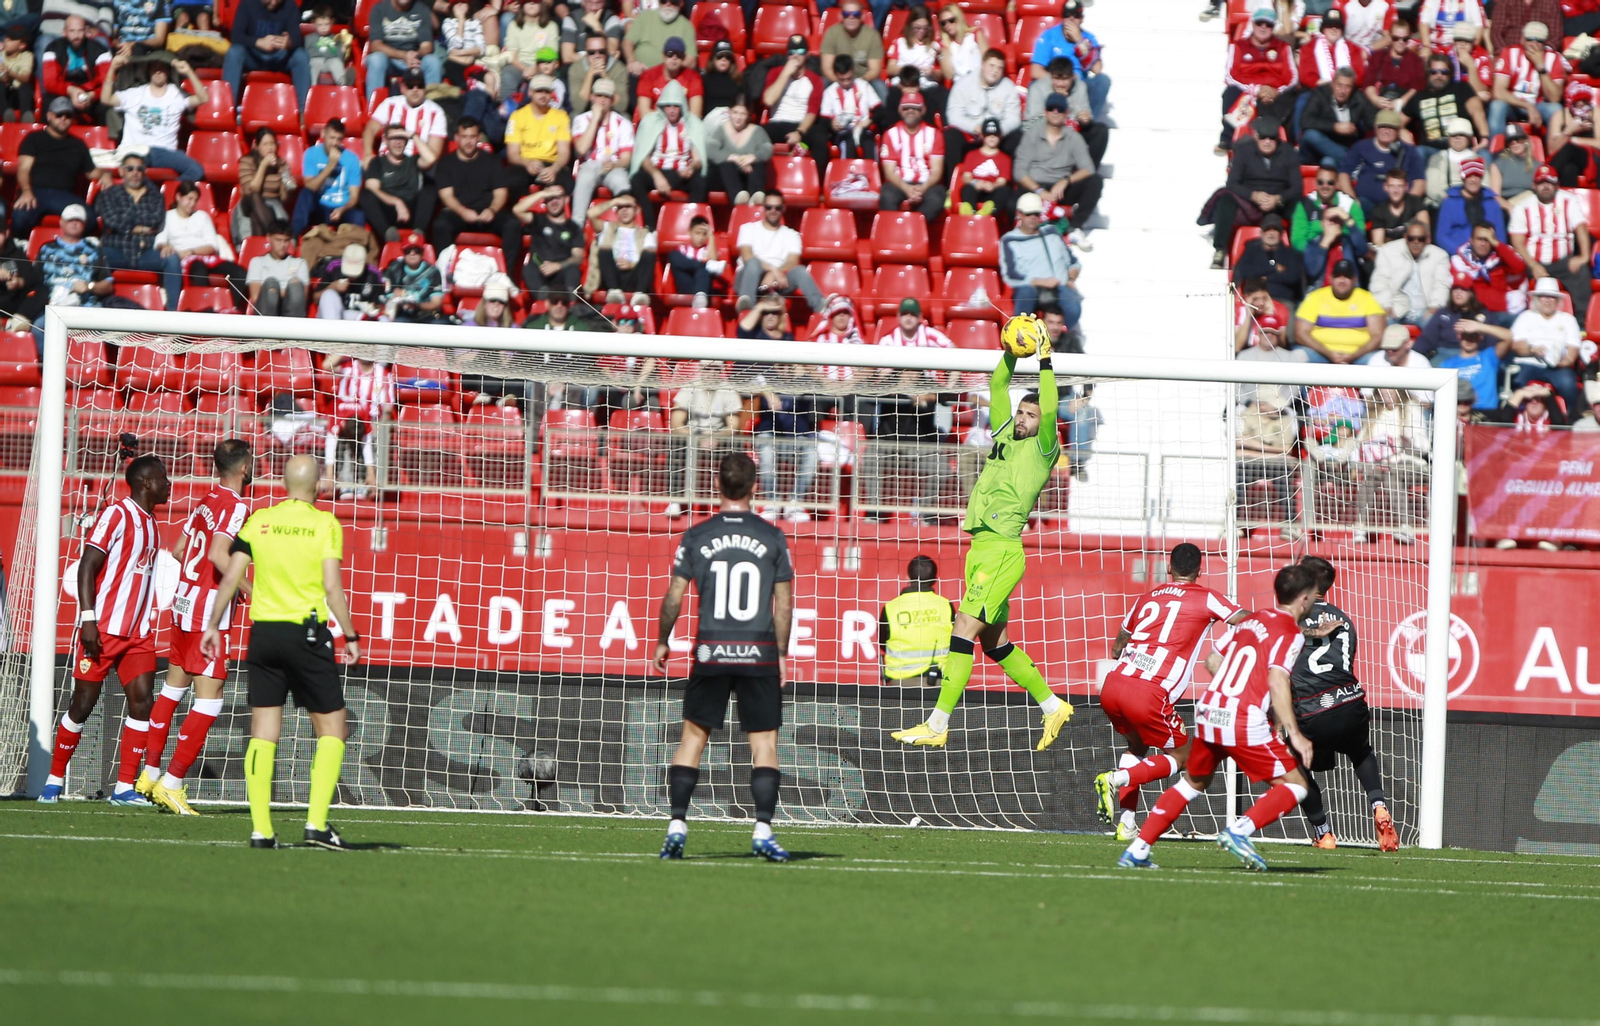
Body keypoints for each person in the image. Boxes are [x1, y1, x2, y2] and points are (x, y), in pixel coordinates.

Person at [890, 327, 1074, 752]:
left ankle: (937, 723)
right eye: (1021, 413)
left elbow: (1049, 408)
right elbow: (997, 385)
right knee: (994, 642)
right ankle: (1052, 706)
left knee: (962, 628)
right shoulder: (1006, 434)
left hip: (1002, 549)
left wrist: (1045, 360)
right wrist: (1009, 352)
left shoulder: (1044, 447)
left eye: (1030, 415)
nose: (1023, 419)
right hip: (982, 548)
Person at [201, 454, 358, 850]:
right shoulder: (325, 524)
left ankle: (261, 831)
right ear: (318, 485)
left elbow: (231, 575)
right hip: (306, 635)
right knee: (333, 729)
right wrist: (350, 634)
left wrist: (213, 624)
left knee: (263, 733)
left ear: (285, 484)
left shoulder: (260, 520)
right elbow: (332, 587)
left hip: (264, 635)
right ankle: (316, 824)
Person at [1117, 563, 1319, 872]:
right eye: (1314, 595)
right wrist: (1295, 733)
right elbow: (1278, 679)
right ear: (1304, 599)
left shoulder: (1252, 621)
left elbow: (1212, 660)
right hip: (1242, 720)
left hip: (1210, 710)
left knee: (1193, 782)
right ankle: (1239, 831)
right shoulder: (1291, 632)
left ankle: (1138, 849)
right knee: (1296, 785)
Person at [652, 451, 794, 862]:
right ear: (755, 486)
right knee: (764, 744)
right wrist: (781, 654)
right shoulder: (772, 536)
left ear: (717, 484)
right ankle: (762, 829)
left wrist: (663, 640)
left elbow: (674, 596)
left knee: (692, 739)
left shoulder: (697, 535)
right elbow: (784, 605)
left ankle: (677, 824)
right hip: (758, 651)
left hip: (711, 648)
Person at [36, 455, 171, 806]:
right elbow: (87, 566)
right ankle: (54, 780)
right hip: (104, 630)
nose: (169, 484)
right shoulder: (116, 515)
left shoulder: (152, 523)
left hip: (138, 633)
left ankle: (124, 787)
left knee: (142, 703)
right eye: (163, 478)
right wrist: (88, 619)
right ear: (145, 482)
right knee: (82, 704)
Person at [1092, 543, 1247, 841]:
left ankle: (1126, 824)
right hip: (1149, 692)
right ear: (1199, 571)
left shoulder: (1147, 597)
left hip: (1113, 685)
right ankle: (1116, 779)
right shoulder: (1207, 597)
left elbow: (1118, 646)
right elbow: (1245, 618)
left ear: (1168, 568)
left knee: (1137, 746)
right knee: (1185, 757)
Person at [139, 440, 253, 815]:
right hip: (207, 613)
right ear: (244, 468)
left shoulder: (206, 500)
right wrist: (250, 589)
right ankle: (172, 784)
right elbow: (218, 554)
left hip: (183, 603)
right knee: (210, 699)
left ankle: (149, 775)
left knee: (173, 689)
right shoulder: (236, 506)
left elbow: (178, 550)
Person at [1288, 556, 1400, 850]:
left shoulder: (1291, 617)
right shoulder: (1344, 621)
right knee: (1360, 750)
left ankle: (1323, 833)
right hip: (1351, 701)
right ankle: (1378, 805)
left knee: (1292, 762)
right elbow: (1343, 665)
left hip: (1312, 708)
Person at [1205, 116, 1300, 270]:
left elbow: (1297, 187)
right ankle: (1220, 250)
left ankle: (1298, 253)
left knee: (1300, 204)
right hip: (1250, 201)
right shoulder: (1244, 151)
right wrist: (1253, 196)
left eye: (1272, 138)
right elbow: (1232, 183)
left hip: (1278, 203)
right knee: (1226, 198)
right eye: (1263, 138)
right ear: (1256, 137)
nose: (1267, 142)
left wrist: (1277, 198)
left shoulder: (1289, 153)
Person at [97, 152, 184, 311]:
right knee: (97, 256)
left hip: (145, 253)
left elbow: (154, 219)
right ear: (122, 171)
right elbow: (111, 220)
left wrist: (125, 223)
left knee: (172, 259)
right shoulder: (109, 194)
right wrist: (140, 228)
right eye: (130, 169)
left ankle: (173, 313)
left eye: (139, 169)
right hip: (117, 251)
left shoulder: (155, 196)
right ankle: (100, 306)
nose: (135, 173)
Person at [101, 54, 206, 182]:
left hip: (164, 152)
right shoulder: (135, 93)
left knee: (196, 170)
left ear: (168, 71)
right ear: (148, 71)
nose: (158, 72)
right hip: (135, 150)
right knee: (135, 171)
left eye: (162, 68)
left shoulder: (177, 95)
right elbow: (106, 99)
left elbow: (203, 98)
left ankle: (170, 192)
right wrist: (112, 68)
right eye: (154, 68)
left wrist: (189, 72)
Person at [1509, 165, 1593, 325]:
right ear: (1534, 185)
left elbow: (1581, 228)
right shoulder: (1522, 207)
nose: (1546, 186)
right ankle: (1517, 321)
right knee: (1513, 269)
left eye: (1550, 182)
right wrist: (1533, 265)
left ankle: (1581, 324)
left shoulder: (1569, 200)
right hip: (1532, 261)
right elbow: (1517, 242)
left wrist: (1584, 257)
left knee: (1581, 271)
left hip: (1562, 261)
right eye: (1541, 183)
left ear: (1557, 184)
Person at [1015, 93, 1101, 249]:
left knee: (1095, 181)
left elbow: (1088, 168)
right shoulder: (1032, 135)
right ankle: (1016, 235)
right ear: (1045, 112)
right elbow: (1019, 171)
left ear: (1066, 113)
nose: (1055, 112)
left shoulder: (1073, 137)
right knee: (1011, 199)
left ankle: (1074, 228)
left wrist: (1066, 181)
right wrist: (1039, 190)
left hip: (1061, 189)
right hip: (1035, 186)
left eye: (1060, 109)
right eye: (1051, 108)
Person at [433, 118, 521, 268]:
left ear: (479, 137)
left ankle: (507, 273)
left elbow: (501, 193)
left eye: (472, 136)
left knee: (512, 224)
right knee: (441, 225)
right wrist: (462, 211)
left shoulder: (493, 161)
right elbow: (446, 195)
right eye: (464, 137)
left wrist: (492, 210)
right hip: (459, 213)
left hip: (488, 213)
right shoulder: (446, 163)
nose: (468, 141)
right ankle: (444, 272)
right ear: (457, 138)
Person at [13, 97, 107, 234]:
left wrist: (105, 174)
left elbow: (91, 172)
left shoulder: (78, 144)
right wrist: (27, 191)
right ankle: (21, 244)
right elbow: (23, 169)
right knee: (20, 218)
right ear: (49, 116)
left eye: (68, 115)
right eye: (59, 114)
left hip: (64, 195)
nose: (63, 118)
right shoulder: (33, 138)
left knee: (90, 219)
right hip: (35, 191)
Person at [752, 354, 822, 523]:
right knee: (767, 452)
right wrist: (767, 392)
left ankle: (795, 502)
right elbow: (747, 384)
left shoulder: (805, 381)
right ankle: (772, 501)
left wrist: (805, 369)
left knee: (812, 453)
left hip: (797, 438)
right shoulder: (767, 378)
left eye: (789, 366)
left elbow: (823, 387)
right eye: (781, 365)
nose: (785, 369)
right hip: (770, 435)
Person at [160, 180, 247, 308]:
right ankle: (202, 308)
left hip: (205, 257)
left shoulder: (202, 216)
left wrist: (192, 252)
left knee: (240, 272)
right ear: (178, 197)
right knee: (199, 269)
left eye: (195, 200)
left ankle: (230, 308)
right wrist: (170, 249)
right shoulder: (168, 217)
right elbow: (160, 242)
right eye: (189, 199)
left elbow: (212, 246)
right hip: (181, 259)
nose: (193, 203)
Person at [629, 80, 706, 224]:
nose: (672, 110)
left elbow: (697, 159)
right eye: (668, 105)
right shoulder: (651, 123)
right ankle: (649, 225)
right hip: (658, 170)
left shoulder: (692, 125)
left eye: (676, 106)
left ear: (682, 106)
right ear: (662, 106)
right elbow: (643, 157)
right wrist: (656, 175)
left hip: (681, 173)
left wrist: (691, 168)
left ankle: (686, 223)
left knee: (701, 182)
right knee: (636, 180)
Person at [1220, 8, 1295, 152]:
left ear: (1273, 27)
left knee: (1292, 96)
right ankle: (1227, 139)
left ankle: (1286, 144)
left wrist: (1276, 91)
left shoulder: (1283, 47)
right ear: (1253, 24)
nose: (1263, 27)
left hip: (1274, 95)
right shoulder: (1238, 46)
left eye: (1268, 24)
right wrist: (1256, 90)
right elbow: (1230, 76)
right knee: (1230, 92)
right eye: (1259, 23)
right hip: (1247, 92)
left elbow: (1292, 77)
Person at [735, 193, 824, 313]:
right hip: (748, 279)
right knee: (753, 263)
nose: (773, 211)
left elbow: (793, 261)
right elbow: (747, 257)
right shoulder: (747, 229)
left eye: (777, 208)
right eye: (769, 207)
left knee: (800, 271)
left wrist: (774, 274)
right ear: (763, 208)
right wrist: (772, 270)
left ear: (783, 209)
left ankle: (821, 307)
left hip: (778, 282)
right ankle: (747, 307)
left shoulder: (793, 235)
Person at [1509, 276, 1584, 412]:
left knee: (1568, 384)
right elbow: (1517, 346)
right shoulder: (1525, 317)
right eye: (1543, 296)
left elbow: (1572, 351)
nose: (1547, 300)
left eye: (1552, 297)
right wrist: (1532, 350)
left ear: (1557, 300)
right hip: (1528, 362)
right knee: (1517, 381)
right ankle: (1514, 416)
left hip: (1557, 366)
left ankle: (1570, 417)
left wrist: (1562, 362)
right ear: (1537, 299)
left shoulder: (1568, 319)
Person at [223, 0, 311, 111]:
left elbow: (297, 39)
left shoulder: (290, 5)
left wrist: (289, 42)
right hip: (253, 56)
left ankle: (303, 112)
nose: (273, 3)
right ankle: (227, 108)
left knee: (301, 56)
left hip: (280, 57)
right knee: (234, 52)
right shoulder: (247, 3)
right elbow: (236, 36)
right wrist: (258, 42)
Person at [1294, 259, 1387, 362]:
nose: (1342, 280)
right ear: (1330, 279)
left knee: (1378, 360)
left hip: (1360, 356)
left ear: (1355, 280)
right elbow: (1300, 334)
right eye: (1337, 276)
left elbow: (1378, 336)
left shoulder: (1367, 298)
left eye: (1347, 277)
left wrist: (1353, 356)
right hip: (1320, 354)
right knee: (1299, 355)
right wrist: (1329, 354)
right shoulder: (1315, 297)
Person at [880, 555, 952, 687]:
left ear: (908, 577)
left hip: (901, 682)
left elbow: (883, 643)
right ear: (934, 580)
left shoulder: (891, 607)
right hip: (939, 681)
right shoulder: (946, 605)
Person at [569, 77, 633, 224]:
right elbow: (581, 149)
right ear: (592, 97)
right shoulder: (581, 120)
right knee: (584, 179)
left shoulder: (623, 123)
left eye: (606, 96)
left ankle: (625, 228)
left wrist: (614, 165)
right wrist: (595, 119)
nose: (602, 100)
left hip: (614, 166)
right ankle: (577, 228)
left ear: (613, 99)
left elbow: (626, 158)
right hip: (589, 165)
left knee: (622, 183)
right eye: (599, 95)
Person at [944, 49, 1021, 170]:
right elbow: (953, 115)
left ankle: (1012, 179)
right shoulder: (963, 84)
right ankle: (952, 179)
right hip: (971, 136)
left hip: (998, 136)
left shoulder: (1008, 86)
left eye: (1000, 68)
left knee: (1018, 136)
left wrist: (1000, 130)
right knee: (951, 136)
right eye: (991, 66)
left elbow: (1014, 118)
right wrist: (974, 127)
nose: (995, 71)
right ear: (983, 64)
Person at [1000, 191, 1076, 314]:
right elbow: (1011, 274)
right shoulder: (1009, 240)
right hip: (1029, 286)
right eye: (1028, 213)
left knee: (1073, 306)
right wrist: (1041, 281)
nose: (1033, 217)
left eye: (1036, 213)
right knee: (1026, 294)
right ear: (1019, 214)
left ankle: (1063, 326)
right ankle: (1021, 326)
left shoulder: (1052, 232)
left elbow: (1073, 262)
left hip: (1058, 287)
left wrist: (1070, 279)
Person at [360, 123, 437, 244]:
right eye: (393, 138)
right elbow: (372, 188)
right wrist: (397, 202)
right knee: (366, 194)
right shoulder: (377, 163)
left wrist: (413, 136)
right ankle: (389, 235)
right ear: (386, 141)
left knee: (430, 189)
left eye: (401, 138)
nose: (398, 143)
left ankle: (418, 233)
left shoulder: (413, 161)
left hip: (411, 211)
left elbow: (431, 159)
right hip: (388, 210)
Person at [878, 89, 946, 224]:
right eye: (906, 108)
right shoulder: (890, 134)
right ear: (900, 109)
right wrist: (907, 189)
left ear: (923, 110)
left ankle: (913, 227)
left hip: (926, 183)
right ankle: (895, 230)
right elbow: (889, 172)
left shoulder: (934, 134)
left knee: (937, 198)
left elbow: (937, 171)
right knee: (886, 196)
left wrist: (922, 188)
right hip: (900, 182)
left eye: (915, 108)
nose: (910, 111)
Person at [1488, 20, 1564, 140]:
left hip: (1539, 104)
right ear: (1522, 39)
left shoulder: (1554, 58)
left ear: (1545, 43)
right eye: (1530, 39)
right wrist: (1528, 106)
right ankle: (1496, 148)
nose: (1534, 44)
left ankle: (1554, 150)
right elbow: (1498, 92)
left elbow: (1554, 98)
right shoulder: (1509, 53)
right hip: (1513, 104)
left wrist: (1541, 67)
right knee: (1497, 105)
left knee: (1555, 109)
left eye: (1539, 41)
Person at [1339, 108, 1426, 212]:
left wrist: (1407, 207)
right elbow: (1343, 174)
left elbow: (1419, 182)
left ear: (1398, 130)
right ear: (1375, 128)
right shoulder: (1361, 147)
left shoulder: (1409, 151)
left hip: (1399, 208)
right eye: (1382, 126)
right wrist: (1353, 200)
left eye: (1391, 127)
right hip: (1365, 204)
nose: (1386, 131)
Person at [1024, 58, 1102, 167]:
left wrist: (1085, 118)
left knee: (1100, 130)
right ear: (1050, 76)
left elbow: (1084, 111)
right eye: (1056, 78)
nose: (1060, 84)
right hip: (1045, 135)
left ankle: (1087, 170)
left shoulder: (1080, 86)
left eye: (1065, 79)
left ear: (1073, 77)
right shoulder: (1037, 88)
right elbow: (1031, 121)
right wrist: (1058, 102)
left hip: (1073, 133)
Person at [1371, 218, 1451, 325]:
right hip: (1396, 309)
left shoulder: (1440, 255)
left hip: (1425, 310)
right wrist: (1386, 305)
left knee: (1435, 323)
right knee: (1381, 323)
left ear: (1427, 239)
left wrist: (1435, 306)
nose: (1416, 242)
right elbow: (1380, 282)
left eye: (1420, 239)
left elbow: (1441, 285)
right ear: (1405, 237)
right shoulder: (1388, 251)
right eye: (1411, 238)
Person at [293, 118, 364, 236]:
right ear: (323, 134)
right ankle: (294, 237)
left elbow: (354, 197)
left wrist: (343, 209)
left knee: (358, 215)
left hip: (342, 208)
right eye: (332, 138)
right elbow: (310, 186)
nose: (334, 143)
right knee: (305, 194)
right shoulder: (311, 153)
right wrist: (330, 166)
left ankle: (358, 244)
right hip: (320, 207)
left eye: (339, 139)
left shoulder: (352, 159)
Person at [504, 73, 573, 196]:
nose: (543, 95)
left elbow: (564, 152)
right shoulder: (517, 116)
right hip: (525, 162)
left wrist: (554, 169)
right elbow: (512, 153)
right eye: (539, 91)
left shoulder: (561, 116)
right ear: (530, 92)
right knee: (513, 182)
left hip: (551, 163)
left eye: (547, 92)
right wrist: (527, 163)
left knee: (568, 184)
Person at [362, 70, 447, 169]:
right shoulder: (390, 104)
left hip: (416, 167)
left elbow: (434, 153)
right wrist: (368, 153)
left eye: (420, 86)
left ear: (425, 88)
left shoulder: (436, 112)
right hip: (387, 163)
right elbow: (370, 129)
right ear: (403, 88)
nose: (415, 90)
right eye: (410, 86)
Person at [517, 184, 585, 299]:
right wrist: (542, 193)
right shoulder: (538, 220)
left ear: (566, 199)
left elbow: (578, 258)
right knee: (528, 268)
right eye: (550, 198)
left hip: (561, 272)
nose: (554, 202)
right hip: (540, 271)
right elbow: (517, 210)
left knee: (573, 269)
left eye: (558, 197)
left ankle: (569, 301)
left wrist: (557, 266)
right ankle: (543, 298)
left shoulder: (574, 228)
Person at [38, 204, 112, 309]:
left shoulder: (94, 251)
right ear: (61, 222)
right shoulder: (47, 249)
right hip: (51, 307)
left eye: (78, 220)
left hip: (85, 307)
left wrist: (89, 286)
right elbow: (35, 281)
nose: (74, 223)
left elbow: (108, 285)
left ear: (85, 224)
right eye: (70, 220)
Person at [1407, 55, 1488, 150]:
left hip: (1460, 148)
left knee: (1484, 154)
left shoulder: (1461, 88)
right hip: (1430, 150)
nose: (1439, 75)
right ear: (1428, 73)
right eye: (1434, 72)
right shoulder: (1419, 97)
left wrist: (1484, 138)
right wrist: (1408, 141)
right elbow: (1399, 122)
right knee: (1419, 151)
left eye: (1444, 72)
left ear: (1450, 74)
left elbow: (1477, 111)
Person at [1298, 67, 1376, 166]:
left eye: (1347, 87)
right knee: (1310, 134)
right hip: (1313, 151)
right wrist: (1335, 127)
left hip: (1337, 150)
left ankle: (1349, 159)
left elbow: (1372, 121)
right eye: (1339, 85)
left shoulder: (1358, 98)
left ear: (1352, 88)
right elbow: (1305, 121)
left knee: (1328, 162)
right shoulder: (1319, 94)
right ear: (1332, 84)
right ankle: (1352, 160)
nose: (1342, 91)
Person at [1450, 218, 1529, 316]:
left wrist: (1497, 244)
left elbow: (1519, 268)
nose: (1483, 244)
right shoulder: (1459, 261)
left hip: (1502, 313)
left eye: (1487, 240)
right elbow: (1462, 292)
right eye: (1479, 239)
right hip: (1471, 312)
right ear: (1471, 241)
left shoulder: (1501, 255)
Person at [586, 194, 655, 303]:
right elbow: (591, 214)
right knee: (604, 250)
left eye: (628, 206)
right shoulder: (607, 227)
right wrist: (615, 201)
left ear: (636, 210)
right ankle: (614, 293)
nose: (624, 210)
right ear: (616, 210)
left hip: (634, 275)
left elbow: (647, 261)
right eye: (620, 207)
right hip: (611, 274)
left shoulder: (646, 234)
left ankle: (639, 295)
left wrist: (631, 264)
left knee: (650, 253)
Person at [42, 15, 111, 119]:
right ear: (64, 32)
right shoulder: (53, 49)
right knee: (49, 101)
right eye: (72, 31)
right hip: (65, 92)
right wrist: (71, 91)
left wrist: (92, 95)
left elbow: (107, 82)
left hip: (90, 94)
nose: (76, 36)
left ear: (86, 31)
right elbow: (49, 83)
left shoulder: (100, 51)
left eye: (80, 31)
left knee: (106, 105)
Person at [365, 0, 441, 92]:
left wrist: (414, 56)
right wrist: (404, 55)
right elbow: (376, 45)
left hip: (415, 60)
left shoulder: (422, 9)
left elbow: (427, 46)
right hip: (389, 60)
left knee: (433, 61)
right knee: (376, 59)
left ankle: (432, 100)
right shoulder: (379, 9)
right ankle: (374, 100)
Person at [708, 96, 772, 205]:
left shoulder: (757, 131)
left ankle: (756, 195)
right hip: (726, 178)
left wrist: (753, 157)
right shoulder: (721, 129)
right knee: (726, 165)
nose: (738, 117)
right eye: (735, 112)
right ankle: (738, 197)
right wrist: (735, 158)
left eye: (743, 114)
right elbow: (711, 150)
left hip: (748, 175)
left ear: (748, 115)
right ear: (729, 112)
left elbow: (767, 149)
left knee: (758, 164)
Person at [236, 128, 298, 239]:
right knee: (255, 196)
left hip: (272, 203)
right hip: (248, 203)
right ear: (256, 146)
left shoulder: (281, 164)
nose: (270, 148)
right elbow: (252, 188)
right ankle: (276, 235)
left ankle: (259, 246)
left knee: (256, 217)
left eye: (272, 143)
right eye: (265, 144)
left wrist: (289, 189)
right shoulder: (247, 161)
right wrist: (264, 165)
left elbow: (284, 199)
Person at [885, 6, 946, 117]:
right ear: (910, 25)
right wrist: (908, 70)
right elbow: (890, 68)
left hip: (925, 85)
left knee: (939, 94)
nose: (921, 31)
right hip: (903, 85)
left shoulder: (934, 46)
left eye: (925, 28)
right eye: (917, 28)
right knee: (893, 95)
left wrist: (932, 73)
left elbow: (941, 75)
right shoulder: (900, 42)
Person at [1435, 156, 1503, 254]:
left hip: (1488, 256)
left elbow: (1500, 237)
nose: (1473, 180)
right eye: (1469, 176)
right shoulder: (1449, 202)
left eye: (1477, 176)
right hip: (1457, 255)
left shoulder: (1492, 203)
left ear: (1481, 178)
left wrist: (1491, 255)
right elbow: (1441, 236)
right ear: (1463, 178)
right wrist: (1460, 253)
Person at [820, 55, 881, 161]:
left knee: (870, 144)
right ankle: (847, 171)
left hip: (863, 129)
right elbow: (823, 120)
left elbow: (880, 111)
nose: (846, 83)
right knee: (848, 144)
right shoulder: (829, 92)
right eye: (842, 80)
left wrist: (869, 121)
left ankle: (871, 171)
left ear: (853, 70)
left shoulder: (864, 86)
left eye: (849, 78)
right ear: (835, 74)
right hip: (843, 132)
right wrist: (832, 124)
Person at [1232, 213, 1304, 302]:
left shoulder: (1290, 254)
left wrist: (1261, 277)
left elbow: (1292, 277)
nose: (1271, 233)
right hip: (1255, 300)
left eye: (1275, 230)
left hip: (1281, 300)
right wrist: (1273, 267)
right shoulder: (1251, 250)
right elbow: (1244, 271)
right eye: (1267, 229)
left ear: (1281, 234)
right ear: (1261, 233)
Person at [1363, 15, 1425, 114]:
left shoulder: (1415, 60)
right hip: (1380, 101)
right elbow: (1368, 83)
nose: (1400, 42)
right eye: (1396, 38)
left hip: (1404, 105)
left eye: (1405, 39)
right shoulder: (1378, 56)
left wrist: (1402, 101)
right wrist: (1375, 99)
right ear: (1390, 37)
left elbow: (1417, 87)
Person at [821, 0, 885, 98]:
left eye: (856, 14)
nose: (851, 17)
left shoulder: (872, 35)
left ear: (862, 16)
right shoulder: (831, 33)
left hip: (864, 78)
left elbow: (875, 70)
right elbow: (827, 68)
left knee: (880, 87)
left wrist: (859, 82)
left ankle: (886, 109)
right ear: (841, 16)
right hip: (838, 78)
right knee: (822, 83)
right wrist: (841, 81)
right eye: (846, 14)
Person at [247, 221, 309, 316]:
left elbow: (302, 297)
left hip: (291, 309)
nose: (283, 245)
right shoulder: (257, 262)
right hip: (265, 309)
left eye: (286, 240)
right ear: (269, 238)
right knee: (271, 283)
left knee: (295, 286)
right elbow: (256, 297)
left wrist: (275, 291)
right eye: (278, 240)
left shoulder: (300, 263)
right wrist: (281, 291)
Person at [955, 116, 1013, 216]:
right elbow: (966, 176)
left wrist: (993, 186)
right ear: (982, 136)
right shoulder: (971, 155)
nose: (992, 137)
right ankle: (969, 211)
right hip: (976, 188)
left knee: (1005, 191)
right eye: (988, 134)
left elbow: (1002, 181)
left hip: (992, 191)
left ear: (1000, 136)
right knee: (967, 189)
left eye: (995, 135)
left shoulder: (1005, 159)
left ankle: (989, 210)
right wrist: (976, 183)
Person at [314, 242, 386, 321]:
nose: (352, 277)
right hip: (333, 315)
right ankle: (333, 329)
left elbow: (381, 305)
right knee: (329, 294)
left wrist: (373, 307)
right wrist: (333, 287)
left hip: (359, 318)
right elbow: (315, 299)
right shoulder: (334, 267)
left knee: (384, 319)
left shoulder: (373, 274)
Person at [636, 35, 702, 118]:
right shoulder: (648, 76)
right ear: (663, 55)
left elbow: (695, 114)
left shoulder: (693, 78)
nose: (674, 58)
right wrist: (670, 119)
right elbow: (644, 113)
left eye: (679, 54)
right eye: (670, 54)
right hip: (654, 122)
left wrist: (674, 121)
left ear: (683, 57)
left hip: (683, 124)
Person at [1364, 167, 1432, 248]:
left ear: (1406, 187)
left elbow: (1425, 234)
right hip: (1390, 252)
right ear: (1385, 187)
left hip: (1416, 248)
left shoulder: (1416, 203)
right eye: (1392, 186)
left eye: (1400, 186)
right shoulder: (1379, 211)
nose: (1395, 190)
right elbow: (1378, 243)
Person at [664, 214, 724, 304]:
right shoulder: (682, 249)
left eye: (704, 234)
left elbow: (714, 261)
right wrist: (702, 264)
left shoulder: (709, 249)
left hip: (705, 288)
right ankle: (703, 265)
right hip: (686, 286)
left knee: (704, 270)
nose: (701, 237)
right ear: (690, 232)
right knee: (673, 255)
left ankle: (700, 297)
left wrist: (711, 236)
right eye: (697, 233)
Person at [381, 237, 445, 320]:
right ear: (403, 253)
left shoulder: (433, 272)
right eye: (408, 251)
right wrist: (395, 297)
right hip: (401, 314)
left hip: (426, 314)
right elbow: (387, 300)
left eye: (417, 250)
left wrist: (416, 306)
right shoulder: (394, 269)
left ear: (422, 253)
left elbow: (436, 303)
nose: (412, 253)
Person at [624, 0, 695, 72]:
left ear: (681, 3)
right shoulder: (645, 16)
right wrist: (632, 61)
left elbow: (691, 61)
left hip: (670, 76)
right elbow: (627, 42)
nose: (668, 4)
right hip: (639, 71)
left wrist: (670, 70)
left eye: (673, 1)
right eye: (664, 1)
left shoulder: (686, 26)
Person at [569, 29, 628, 112]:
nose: (597, 56)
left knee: (625, 116)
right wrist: (590, 74)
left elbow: (621, 106)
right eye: (592, 52)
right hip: (586, 111)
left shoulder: (619, 68)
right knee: (574, 115)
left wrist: (605, 75)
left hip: (610, 111)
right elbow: (579, 106)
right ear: (586, 52)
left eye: (601, 51)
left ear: (607, 51)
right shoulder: (576, 69)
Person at [1424, 121, 1480, 203]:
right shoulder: (1437, 158)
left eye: (1462, 135)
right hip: (1442, 202)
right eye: (1454, 135)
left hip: (1470, 203)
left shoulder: (1477, 160)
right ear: (1449, 137)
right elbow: (1432, 188)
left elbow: (1485, 185)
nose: (1457, 138)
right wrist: (1448, 200)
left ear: (1469, 138)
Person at [1490, 123, 1538, 208]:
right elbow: (1495, 196)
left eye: (1518, 139)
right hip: (1506, 206)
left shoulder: (1538, 166)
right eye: (1510, 141)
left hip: (1529, 205)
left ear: (1525, 141)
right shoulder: (1498, 165)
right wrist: (1510, 207)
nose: (1514, 143)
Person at [304, 5, 350, 86]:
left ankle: (343, 82)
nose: (324, 28)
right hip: (316, 60)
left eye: (326, 24)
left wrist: (342, 50)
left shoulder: (336, 38)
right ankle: (312, 86)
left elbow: (339, 57)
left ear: (332, 22)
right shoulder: (309, 38)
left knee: (336, 62)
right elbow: (306, 54)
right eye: (320, 25)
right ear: (313, 23)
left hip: (331, 61)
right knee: (313, 65)